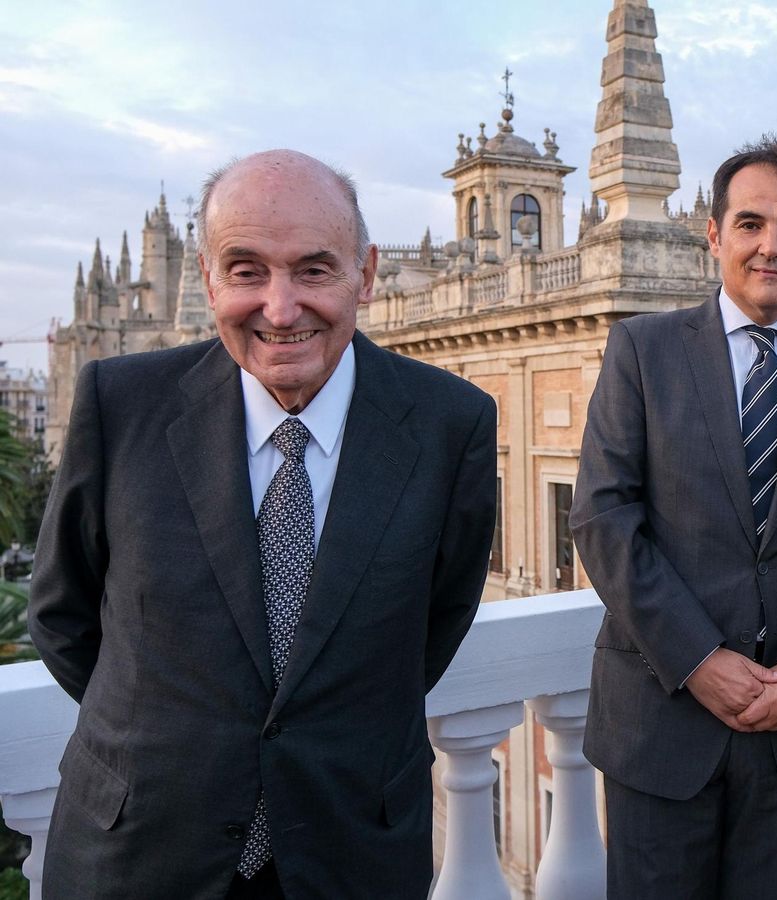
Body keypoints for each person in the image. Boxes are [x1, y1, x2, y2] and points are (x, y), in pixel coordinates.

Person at [29, 149, 497, 899]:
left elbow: (436, 619)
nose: (281, 309)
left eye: (314, 269)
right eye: (246, 270)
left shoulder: (452, 422)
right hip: (139, 852)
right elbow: (62, 616)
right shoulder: (123, 403)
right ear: (208, 278)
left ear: (366, 274)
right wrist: (175, 739)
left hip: (350, 854)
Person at [572, 136, 777, 899]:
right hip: (660, 723)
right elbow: (602, 516)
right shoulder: (642, 349)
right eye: (750, 224)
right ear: (714, 234)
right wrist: (697, 660)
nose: (771, 246)